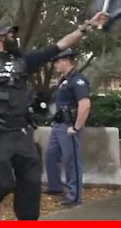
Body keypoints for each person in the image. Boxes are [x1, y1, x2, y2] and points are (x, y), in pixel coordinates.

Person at [0, 11, 108, 220]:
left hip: (22, 133)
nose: (13, 38)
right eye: (9, 35)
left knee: (31, 183)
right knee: (3, 183)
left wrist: (87, 26)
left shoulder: (24, 61)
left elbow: (60, 45)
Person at [44, 48, 91, 207]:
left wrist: (76, 128)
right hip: (58, 125)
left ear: (66, 61)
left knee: (71, 161)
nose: (56, 64)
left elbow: (84, 105)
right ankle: (55, 186)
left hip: (69, 126)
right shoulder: (64, 80)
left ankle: (74, 196)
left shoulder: (78, 80)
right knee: (51, 155)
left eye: (57, 61)